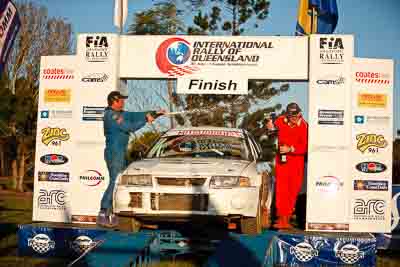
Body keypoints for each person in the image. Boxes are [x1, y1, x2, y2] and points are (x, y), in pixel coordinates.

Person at [97, 91, 164, 227]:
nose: (124, 102)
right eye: (121, 100)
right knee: (115, 182)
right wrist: (146, 120)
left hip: (120, 152)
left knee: (119, 182)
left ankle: (113, 213)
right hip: (114, 152)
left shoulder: (121, 113)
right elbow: (130, 127)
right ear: (114, 101)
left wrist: (154, 113)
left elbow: (135, 115)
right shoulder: (111, 115)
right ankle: (103, 213)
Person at [266, 102, 308, 229]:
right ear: (287, 114)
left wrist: (291, 149)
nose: (293, 118)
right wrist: (269, 128)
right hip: (282, 162)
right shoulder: (280, 120)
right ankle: (280, 218)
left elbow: (305, 147)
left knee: (292, 191)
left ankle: (286, 218)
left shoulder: (304, 126)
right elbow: (271, 135)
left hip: (297, 163)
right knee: (281, 190)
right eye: (291, 115)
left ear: (300, 113)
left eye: (295, 115)